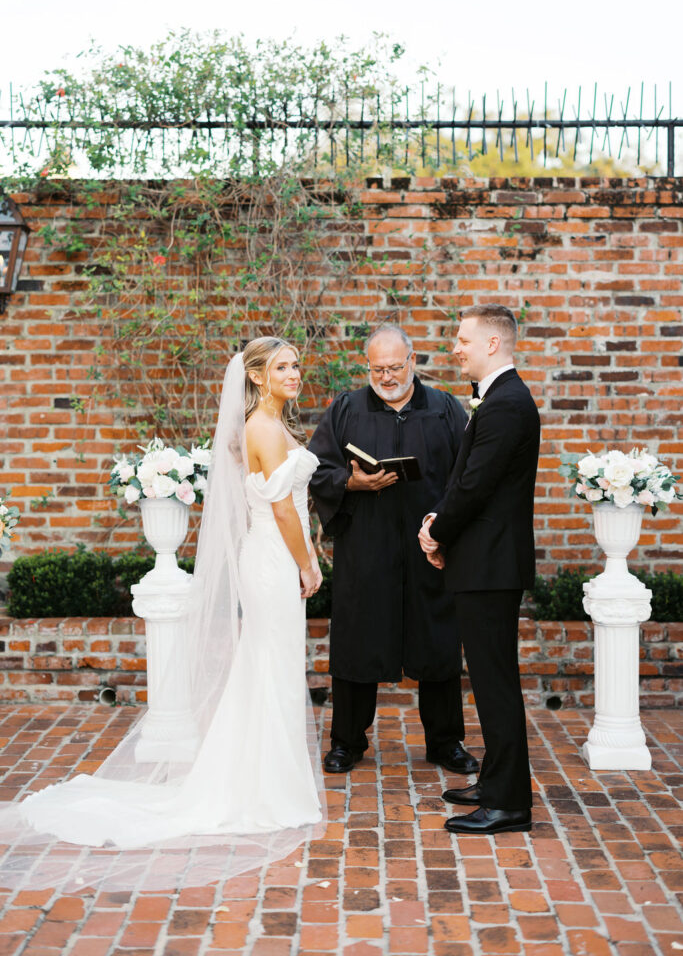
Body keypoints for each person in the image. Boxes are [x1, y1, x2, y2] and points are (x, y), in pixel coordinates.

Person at [0, 337, 326, 891]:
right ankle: (268, 789)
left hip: (274, 554)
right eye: (281, 367)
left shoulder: (274, 423)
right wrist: (309, 564)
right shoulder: (264, 430)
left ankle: (269, 779)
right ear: (256, 376)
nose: (295, 373)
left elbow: (293, 505)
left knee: (269, 667)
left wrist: (307, 550)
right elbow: (280, 511)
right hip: (273, 559)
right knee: (271, 667)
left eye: (296, 365)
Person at [309, 325, 477, 776]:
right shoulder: (346, 408)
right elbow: (316, 469)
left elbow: (466, 475)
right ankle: (346, 741)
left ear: (412, 360)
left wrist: (445, 524)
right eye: (376, 369)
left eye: (393, 367)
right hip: (366, 547)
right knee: (357, 641)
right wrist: (351, 481)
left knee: (439, 642)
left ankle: (446, 742)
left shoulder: (443, 409)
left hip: (429, 547)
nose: (385, 377)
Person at [418, 304, 540, 836]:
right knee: (490, 681)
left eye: (463, 339)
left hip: (490, 566)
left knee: (496, 685)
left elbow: (475, 488)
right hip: (484, 561)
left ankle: (509, 803)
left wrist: (436, 532)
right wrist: (439, 520)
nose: (455, 347)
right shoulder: (499, 401)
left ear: (492, 344)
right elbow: (467, 480)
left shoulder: (506, 404)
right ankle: (494, 783)